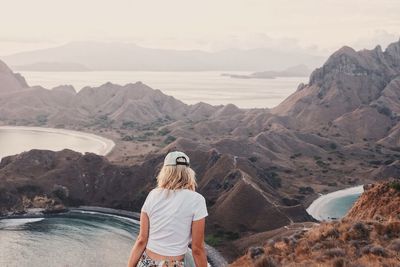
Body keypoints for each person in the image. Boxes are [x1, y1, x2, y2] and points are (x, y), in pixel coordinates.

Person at [127, 151, 208, 267]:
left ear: (165, 172)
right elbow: (197, 249)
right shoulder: (197, 200)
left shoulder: (153, 195)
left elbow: (141, 240)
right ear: (188, 173)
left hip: (146, 262)